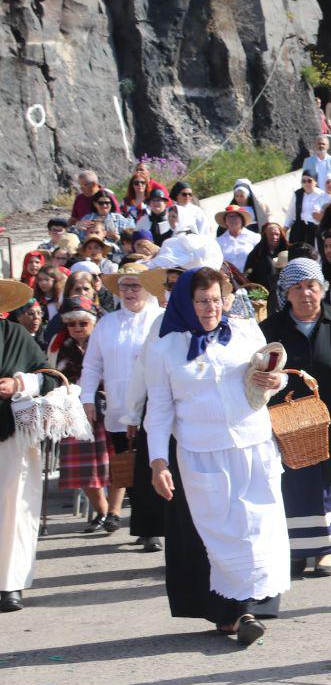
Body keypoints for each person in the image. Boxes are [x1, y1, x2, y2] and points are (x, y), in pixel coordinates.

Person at [145, 267, 290, 644]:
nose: (210, 308)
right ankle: (233, 612)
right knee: (222, 535)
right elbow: (158, 410)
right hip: (202, 453)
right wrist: (158, 461)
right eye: (201, 301)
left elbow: (273, 374)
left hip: (254, 444)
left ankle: (251, 610)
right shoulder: (164, 347)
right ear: (185, 303)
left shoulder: (244, 331)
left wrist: (276, 381)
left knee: (259, 528)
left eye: (215, 300)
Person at [261, 259, 331, 578]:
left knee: (330, 480)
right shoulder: (271, 329)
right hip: (289, 420)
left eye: (311, 286)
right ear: (286, 293)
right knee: (295, 483)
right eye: (297, 288)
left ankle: (324, 551)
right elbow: (258, 370)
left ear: (322, 289)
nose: (305, 293)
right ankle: (296, 549)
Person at [81, 263, 165, 551]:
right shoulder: (107, 324)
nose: (129, 292)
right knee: (129, 468)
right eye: (124, 286)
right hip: (119, 407)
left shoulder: (160, 319)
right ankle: (144, 524)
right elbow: (92, 364)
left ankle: (154, 527)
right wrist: (88, 398)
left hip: (155, 405)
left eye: (135, 285)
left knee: (154, 463)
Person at [0, 279, 58, 613]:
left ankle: (11, 585)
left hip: (12, 436)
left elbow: (50, 376)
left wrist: (19, 382)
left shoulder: (15, 336)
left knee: (15, 512)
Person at [51, 296, 120, 533]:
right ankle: (101, 512)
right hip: (73, 412)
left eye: (83, 323)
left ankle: (114, 512)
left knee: (116, 462)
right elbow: (54, 378)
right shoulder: (58, 347)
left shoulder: (106, 342)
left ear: (92, 323)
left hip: (108, 408)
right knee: (82, 467)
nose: (77, 328)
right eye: (72, 324)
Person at [214, 205, 261, 273]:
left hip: (252, 278)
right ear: (225, 221)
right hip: (229, 280)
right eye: (229, 217)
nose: (232, 219)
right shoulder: (218, 242)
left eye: (235, 216)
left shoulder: (255, 237)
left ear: (242, 219)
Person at [284, 171, 326, 248]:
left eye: (309, 181)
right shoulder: (297, 194)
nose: (306, 184)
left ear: (315, 181)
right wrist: (284, 231)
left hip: (315, 229)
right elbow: (290, 215)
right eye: (303, 181)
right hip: (299, 229)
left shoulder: (322, 195)